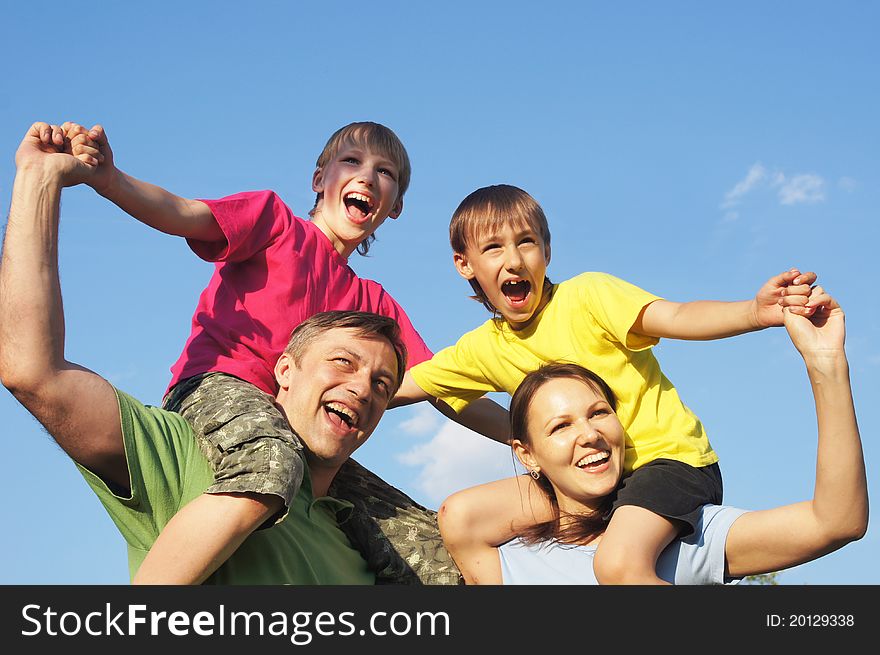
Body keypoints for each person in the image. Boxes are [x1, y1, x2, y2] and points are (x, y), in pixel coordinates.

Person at [0, 121, 463, 583]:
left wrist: (520, 425)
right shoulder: (275, 223)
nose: (365, 176)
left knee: (433, 546)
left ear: (397, 204)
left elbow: (448, 379)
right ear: (319, 179)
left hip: (286, 436)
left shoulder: (372, 304)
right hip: (217, 390)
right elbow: (182, 212)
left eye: (384, 172)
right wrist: (109, 180)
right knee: (271, 462)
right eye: (351, 161)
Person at [393, 183, 821, 584]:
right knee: (461, 513)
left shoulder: (588, 297)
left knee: (618, 563)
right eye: (493, 248)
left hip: (666, 463)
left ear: (547, 250)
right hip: (586, 479)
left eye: (526, 241)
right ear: (464, 263)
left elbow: (675, 317)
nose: (514, 259)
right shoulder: (483, 348)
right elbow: (414, 388)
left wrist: (753, 312)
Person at [438, 292, 868, 584]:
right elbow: (461, 514)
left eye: (599, 413)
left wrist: (826, 366)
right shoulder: (507, 562)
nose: (589, 433)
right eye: (560, 426)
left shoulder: (681, 536)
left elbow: (835, 522)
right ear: (526, 453)